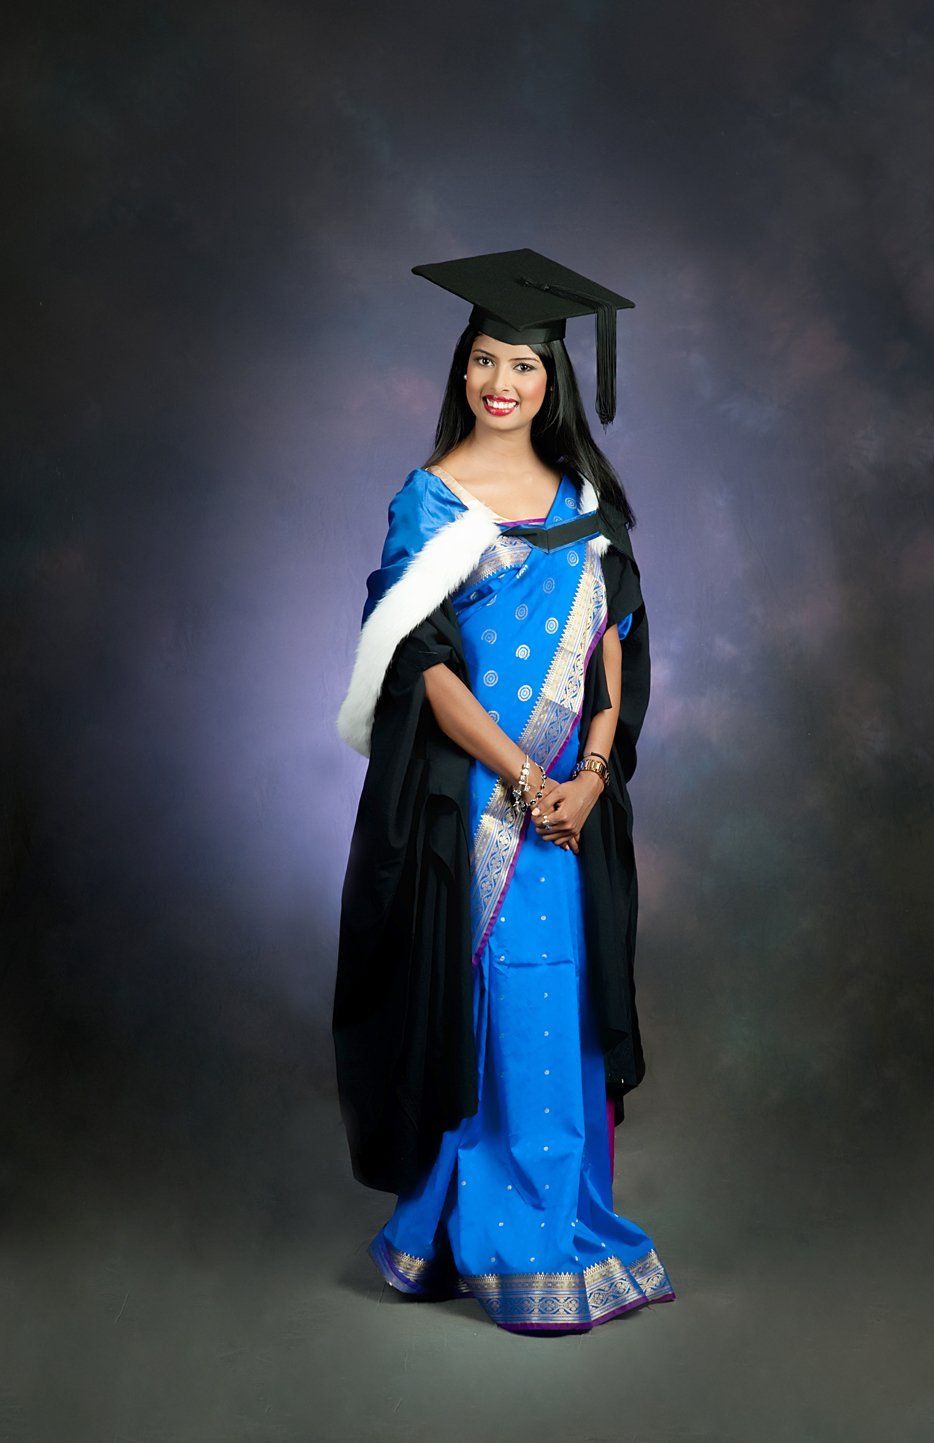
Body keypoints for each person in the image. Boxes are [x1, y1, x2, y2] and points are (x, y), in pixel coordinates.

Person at [333, 248, 677, 1334]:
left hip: (565, 818)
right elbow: (429, 673)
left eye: (524, 365)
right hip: (471, 808)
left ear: (551, 381)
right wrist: (531, 779)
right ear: (463, 369)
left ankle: (554, 1221)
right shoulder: (427, 505)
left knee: (554, 1005)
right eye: (486, 360)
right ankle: (480, 1236)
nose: (503, 384)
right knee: (476, 1009)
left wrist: (587, 775)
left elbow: (614, 647)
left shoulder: (584, 504)